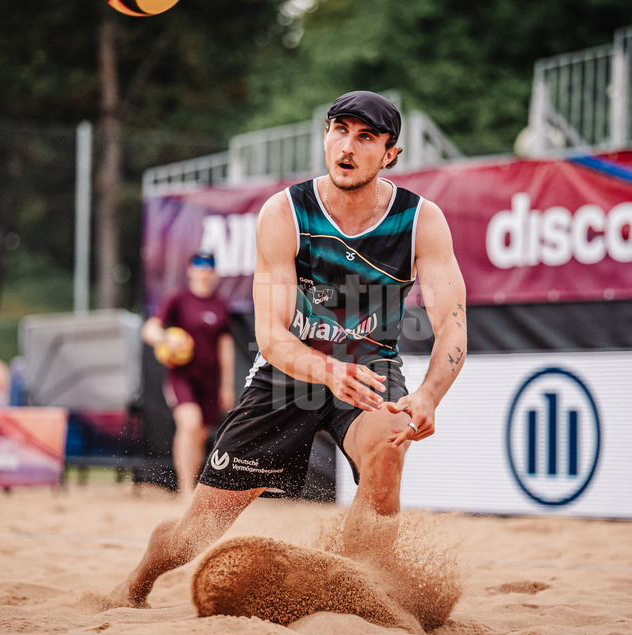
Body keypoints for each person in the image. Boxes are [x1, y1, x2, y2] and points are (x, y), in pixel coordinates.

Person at [107, 90, 467, 608]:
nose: (348, 146)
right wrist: (325, 370)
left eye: (366, 137)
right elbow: (273, 338)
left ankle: (364, 590)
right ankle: (134, 585)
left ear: (391, 154)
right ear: (325, 135)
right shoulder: (287, 211)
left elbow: (453, 327)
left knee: (391, 437)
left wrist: (430, 395)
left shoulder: (420, 220)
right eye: (339, 130)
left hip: (368, 370)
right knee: (194, 537)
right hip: (288, 376)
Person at [141, 251, 235, 499]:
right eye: (199, 265)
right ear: (190, 270)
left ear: (214, 272)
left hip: (209, 380)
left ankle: (192, 487)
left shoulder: (220, 305)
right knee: (189, 423)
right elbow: (149, 330)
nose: (203, 271)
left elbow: (225, 347)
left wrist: (226, 385)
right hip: (181, 375)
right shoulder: (178, 300)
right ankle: (184, 490)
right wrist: (165, 340)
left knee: (201, 432)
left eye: (208, 266)